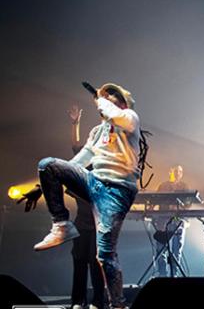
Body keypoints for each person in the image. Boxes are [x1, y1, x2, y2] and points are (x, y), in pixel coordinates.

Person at [33, 83, 147, 309]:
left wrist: (100, 98)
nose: (105, 104)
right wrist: (47, 182)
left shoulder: (130, 118)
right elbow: (80, 159)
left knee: (105, 256)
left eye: (112, 100)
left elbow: (114, 114)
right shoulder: (97, 131)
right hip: (94, 182)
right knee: (48, 165)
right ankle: (62, 225)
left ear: (122, 104)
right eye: (104, 100)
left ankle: (117, 305)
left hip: (117, 190)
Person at [68, 104, 106, 309]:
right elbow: (75, 144)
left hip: (98, 223)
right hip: (82, 221)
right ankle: (77, 301)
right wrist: (75, 123)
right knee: (79, 261)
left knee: (95, 262)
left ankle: (99, 301)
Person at [152, 165, 189, 277]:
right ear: (170, 172)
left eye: (180, 171)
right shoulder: (163, 186)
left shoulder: (184, 186)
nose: (178, 173)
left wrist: (180, 207)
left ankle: (174, 276)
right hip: (163, 221)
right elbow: (155, 199)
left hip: (178, 221)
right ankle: (162, 275)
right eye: (176, 171)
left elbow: (188, 203)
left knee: (176, 251)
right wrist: (149, 208)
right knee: (160, 250)